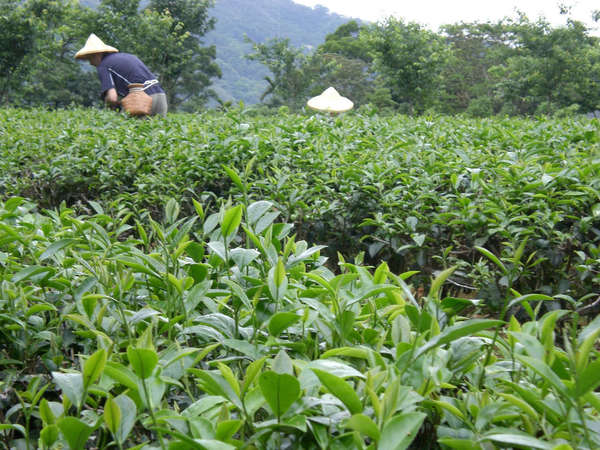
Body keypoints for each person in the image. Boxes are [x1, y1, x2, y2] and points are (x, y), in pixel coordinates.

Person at [75, 34, 168, 117]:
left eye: (90, 58)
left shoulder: (103, 66)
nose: (90, 63)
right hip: (161, 96)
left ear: (97, 54)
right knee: (157, 132)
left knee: (127, 132)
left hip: (141, 100)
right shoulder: (127, 56)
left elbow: (112, 97)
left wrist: (109, 106)